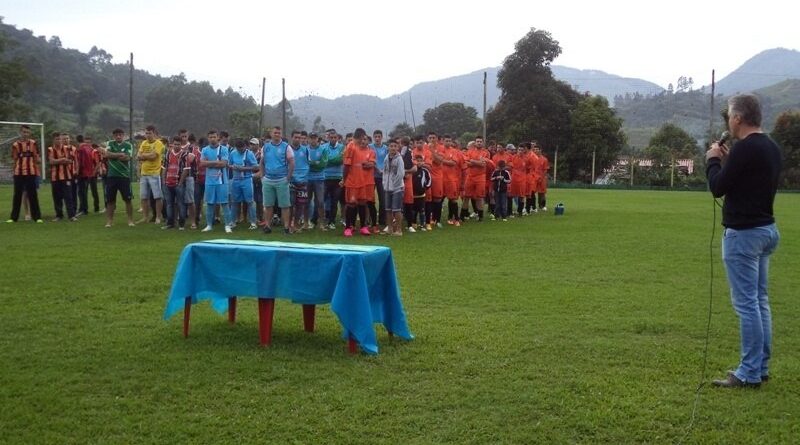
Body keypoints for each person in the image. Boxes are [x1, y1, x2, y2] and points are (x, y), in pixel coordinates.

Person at [706, 94, 782, 389]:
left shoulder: (744, 149)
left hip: (744, 235)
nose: (728, 120)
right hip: (766, 230)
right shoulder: (770, 147)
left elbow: (718, 187)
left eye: (729, 116)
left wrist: (713, 162)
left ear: (737, 118)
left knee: (747, 304)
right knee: (760, 301)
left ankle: (748, 372)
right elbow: (748, 180)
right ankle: (759, 366)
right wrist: (729, 162)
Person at [260, 126, 295, 234]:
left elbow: (292, 163)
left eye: (279, 133)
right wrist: (262, 176)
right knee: (268, 205)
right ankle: (267, 226)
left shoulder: (286, 147)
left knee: (284, 205)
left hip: (281, 180)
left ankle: (286, 227)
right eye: (275, 133)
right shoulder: (265, 147)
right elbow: (261, 162)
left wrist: (288, 178)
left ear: (281, 134)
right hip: (268, 180)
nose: (277, 134)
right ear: (271, 134)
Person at [342, 128, 376, 237]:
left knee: (362, 203)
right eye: (363, 137)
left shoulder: (361, 148)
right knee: (351, 204)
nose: (363, 140)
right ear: (360, 136)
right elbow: (346, 166)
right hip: (352, 182)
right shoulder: (350, 147)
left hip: (361, 181)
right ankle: (348, 227)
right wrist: (344, 179)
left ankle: (363, 227)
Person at [98, 128, 135, 227]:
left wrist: (113, 155)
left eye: (120, 134)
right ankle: (109, 221)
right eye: (116, 135)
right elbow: (106, 154)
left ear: (123, 135)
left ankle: (130, 220)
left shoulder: (128, 145)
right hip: (111, 176)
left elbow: (127, 157)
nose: (118, 136)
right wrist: (119, 154)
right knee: (110, 200)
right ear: (113, 136)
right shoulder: (110, 143)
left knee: (128, 199)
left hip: (124, 176)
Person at [7, 124, 43, 223]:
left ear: (29, 133)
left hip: (31, 172)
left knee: (33, 195)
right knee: (17, 195)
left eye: (27, 132)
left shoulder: (34, 143)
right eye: (24, 132)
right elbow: (14, 158)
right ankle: (13, 218)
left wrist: (38, 162)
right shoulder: (15, 145)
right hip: (18, 172)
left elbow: (37, 158)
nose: (25, 134)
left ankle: (37, 217)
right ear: (20, 132)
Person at [200, 130, 233, 233]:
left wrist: (209, 163)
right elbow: (202, 164)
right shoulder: (205, 150)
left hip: (222, 181)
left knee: (224, 203)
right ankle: (209, 225)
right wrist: (216, 162)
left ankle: (227, 225)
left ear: (218, 137)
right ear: (208, 138)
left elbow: (223, 164)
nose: (212, 139)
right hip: (209, 181)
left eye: (214, 137)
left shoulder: (223, 149)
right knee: (210, 204)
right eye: (210, 137)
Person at [229, 138, 259, 230]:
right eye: (238, 149)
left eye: (242, 148)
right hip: (236, 180)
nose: (240, 150)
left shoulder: (249, 154)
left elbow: (256, 166)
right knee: (234, 201)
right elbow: (229, 164)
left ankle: (253, 222)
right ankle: (232, 221)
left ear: (245, 147)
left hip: (247, 179)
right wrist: (233, 167)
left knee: (250, 201)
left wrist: (244, 169)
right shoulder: (233, 153)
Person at [136, 125, 165, 224]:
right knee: (144, 197)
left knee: (157, 196)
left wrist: (143, 156)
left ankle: (158, 216)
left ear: (154, 133)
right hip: (144, 173)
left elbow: (154, 156)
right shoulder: (143, 143)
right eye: (146, 133)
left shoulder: (159, 143)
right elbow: (138, 156)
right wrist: (145, 156)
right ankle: (145, 217)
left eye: (150, 133)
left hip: (154, 173)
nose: (148, 135)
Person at [48, 132, 77, 222]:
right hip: (55, 177)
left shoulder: (67, 148)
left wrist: (60, 160)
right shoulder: (50, 149)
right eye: (57, 139)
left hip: (66, 176)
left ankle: (71, 216)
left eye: (60, 139)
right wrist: (62, 160)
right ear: (53, 140)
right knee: (57, 197)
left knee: (68, 196)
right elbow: (51, 161)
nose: (60, 141)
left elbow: (70, 161)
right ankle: (59, 215)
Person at [381, 138, 405, 236]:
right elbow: (385, 172)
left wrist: (394, 184)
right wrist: (384, 183)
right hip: (387, 188)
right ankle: (390, 228)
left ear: (398, 147)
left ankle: (399, 230)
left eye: (395, 146)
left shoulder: (399, 159)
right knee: (388, 209)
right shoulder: (386, 158)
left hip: (397, 188)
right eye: (391, 146)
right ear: (388, 147)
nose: (393, 148)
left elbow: (400, 174)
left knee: (397, 209)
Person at [322, 129, 344, 229]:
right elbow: (324, 161)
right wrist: (334, 160)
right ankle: (319, 220)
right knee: (321, 200)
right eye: (331, 137)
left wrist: (330, 160)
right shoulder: (323, 147)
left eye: (335, 137)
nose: (333, 139)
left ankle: (332, 222)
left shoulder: (342, 147)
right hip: (326, 177)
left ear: (338, 138)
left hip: (337, 178)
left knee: (334, 201)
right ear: (328, 138)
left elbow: (340, 160)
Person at [306, 132, 328, 230]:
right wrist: (315, 163)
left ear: (317, 139)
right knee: (306, 201)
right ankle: (306, 223)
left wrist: (312, 163)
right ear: (308, 139)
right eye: (311, 138)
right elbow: (305, 163)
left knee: (320, 201)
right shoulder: (305, 149)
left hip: (319, 179)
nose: (313, 140)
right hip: (308, 178)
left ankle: (321, 224)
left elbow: (322, 164)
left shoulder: (323, 149)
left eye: (315, 138)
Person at [369, 130, 389, 232]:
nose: (377, 138)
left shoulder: (386, 148)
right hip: (372, 176)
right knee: (370, 199)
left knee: (383, 199)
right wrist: (377, 169)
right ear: (373, 137)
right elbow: (370, 160)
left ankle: (382, 220)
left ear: (382, 137)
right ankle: (371, 220)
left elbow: (388, 160)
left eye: (379, 136)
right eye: (375, 136)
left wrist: (384, 170)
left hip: (382, 177)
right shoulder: (370, 147)